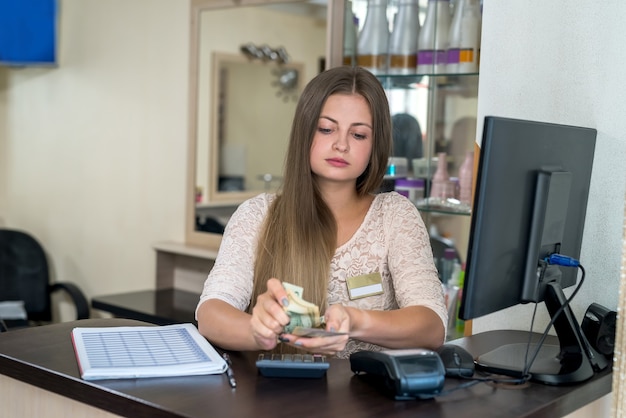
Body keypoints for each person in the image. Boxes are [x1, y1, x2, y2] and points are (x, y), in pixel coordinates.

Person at [196, 66, 447, 359]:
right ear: (305, 132)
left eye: (359, 134)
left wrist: (356, 322)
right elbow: (210, 314)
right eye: (326, 129)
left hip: (367, 400)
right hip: (279, 396)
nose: (341, 145)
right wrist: (258, 330)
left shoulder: (395, 216)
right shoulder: (257, 215)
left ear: (374, 145)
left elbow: (433, 327)